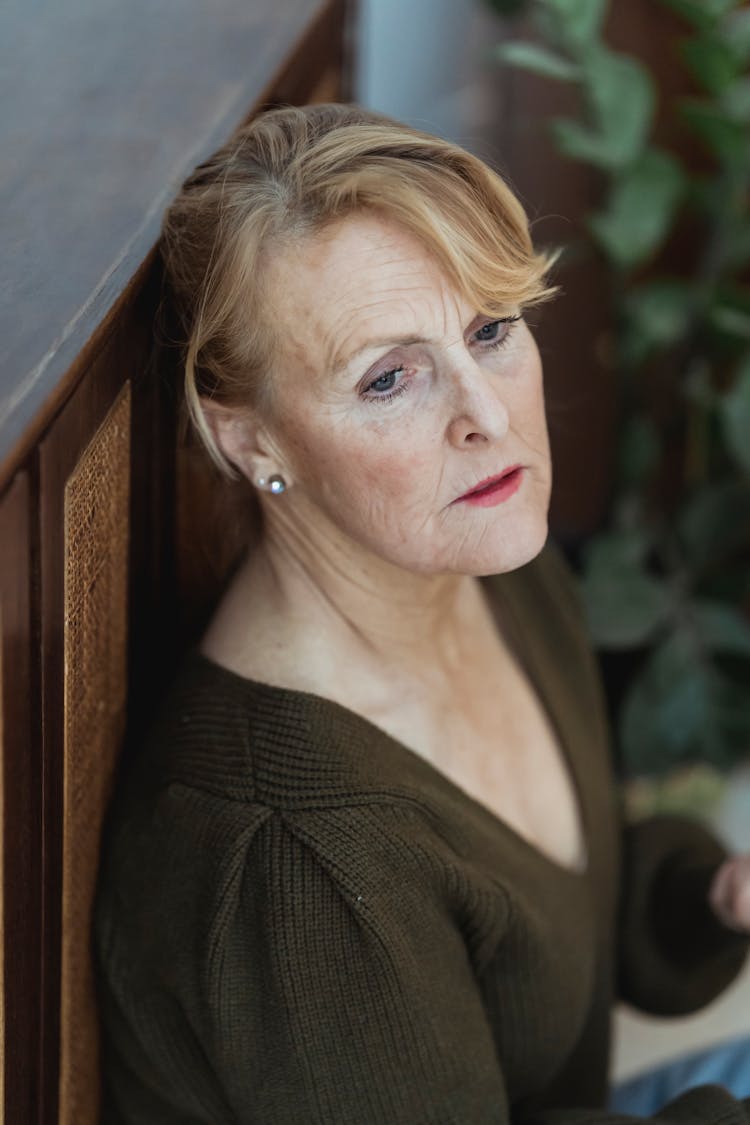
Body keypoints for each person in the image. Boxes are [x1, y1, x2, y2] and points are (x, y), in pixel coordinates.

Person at [94, 103, 750, 1124]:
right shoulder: (292, 854)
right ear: (250, 442)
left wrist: (709, 896)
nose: (487, 419)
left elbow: (544, 948)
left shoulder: (487, 560)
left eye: (491, 330)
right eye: (390, 378)